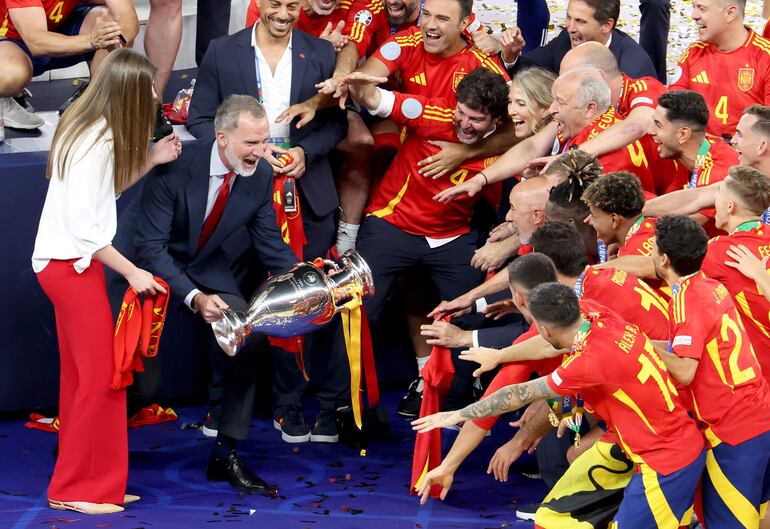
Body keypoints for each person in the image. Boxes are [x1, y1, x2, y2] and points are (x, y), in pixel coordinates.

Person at [413, 282, 706, 529]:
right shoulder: (598, 315)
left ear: (543, 327)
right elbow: (549, 344)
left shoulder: (588, 362)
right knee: (553, 518)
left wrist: (456, 413)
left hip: (665, 460)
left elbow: (518, 394)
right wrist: (502, 356)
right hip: (630, 443)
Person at [187, 0, 349, 444]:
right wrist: (246, 152)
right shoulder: (223, 51)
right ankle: (221, 405)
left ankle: (289, 407)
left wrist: (304, 153)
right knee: (230, 302)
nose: (284, 13)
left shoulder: (319, 52)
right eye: (275, 3)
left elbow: (336, 125)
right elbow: (201, 120)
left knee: (301, 300)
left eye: (293, 5)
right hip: (238, 198)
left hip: (306, 197)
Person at [31, 48, 179, 516]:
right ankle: (74, 487)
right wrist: (133, 272)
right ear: (130, 94)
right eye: (150, 90)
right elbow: (86, 231)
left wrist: (151, 160)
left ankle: (101, 485)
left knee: (86, 381)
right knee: (100, 381)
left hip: (69, 266)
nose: (157, 96)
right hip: (70, 267)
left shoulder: (92, 132)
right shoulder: (94, 141)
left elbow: (103, 195)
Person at [135, 94, 302, 489]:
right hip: (147, 271)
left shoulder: (260, 175)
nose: (260, 152)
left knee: (248, 338)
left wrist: (306, 277)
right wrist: (193, 297)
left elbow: (269, 243)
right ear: (222, 137)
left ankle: (226, 454)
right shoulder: (176, 164)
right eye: (251, 143)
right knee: (141, 383)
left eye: (265, 142)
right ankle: (86, 440)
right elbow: (151, 248)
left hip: (206, 270)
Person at [651, 215, 770, 528]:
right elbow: (694, 344)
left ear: (663, 259)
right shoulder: (711, 286)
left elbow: (686, 370)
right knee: (761, 515)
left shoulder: (685, 298)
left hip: (734, 430)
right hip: (758, 414)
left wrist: (641, 349)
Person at [0, 0, 138, 136]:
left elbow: (126, 18)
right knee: (11, 74)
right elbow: (37, 43)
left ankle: (96, 101)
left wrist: (115, 56)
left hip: (60, 28)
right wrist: (91, 41)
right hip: (13, 38)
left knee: (113, 25)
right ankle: (2, 98)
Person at [700, 166, 770, 378]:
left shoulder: (720, 251)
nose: (714, 199)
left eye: (718, 192)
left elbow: (663, 270)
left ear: (730, 206)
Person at [670, 0, 770, 139]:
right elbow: (671, 110)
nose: (694, 15)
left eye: (702, 9)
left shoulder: (765, 57)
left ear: (730, 13)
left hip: (747, 155)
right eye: (694, 7)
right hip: (701, 151)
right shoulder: (693, 53)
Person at [649, 90, 740, 233]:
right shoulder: (692, 153)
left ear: (683, 134)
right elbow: (671, 205)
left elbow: (684, 229)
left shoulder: (720, 169)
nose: (650, 131)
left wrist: (630, 222)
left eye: (658, 125)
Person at [500, 0, 656, 80]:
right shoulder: (566, 39)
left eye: (580, 21)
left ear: (607, 25)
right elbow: (528, 68)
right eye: (569, 17)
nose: (570, 27)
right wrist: (510, 56)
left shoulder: (633, 69)